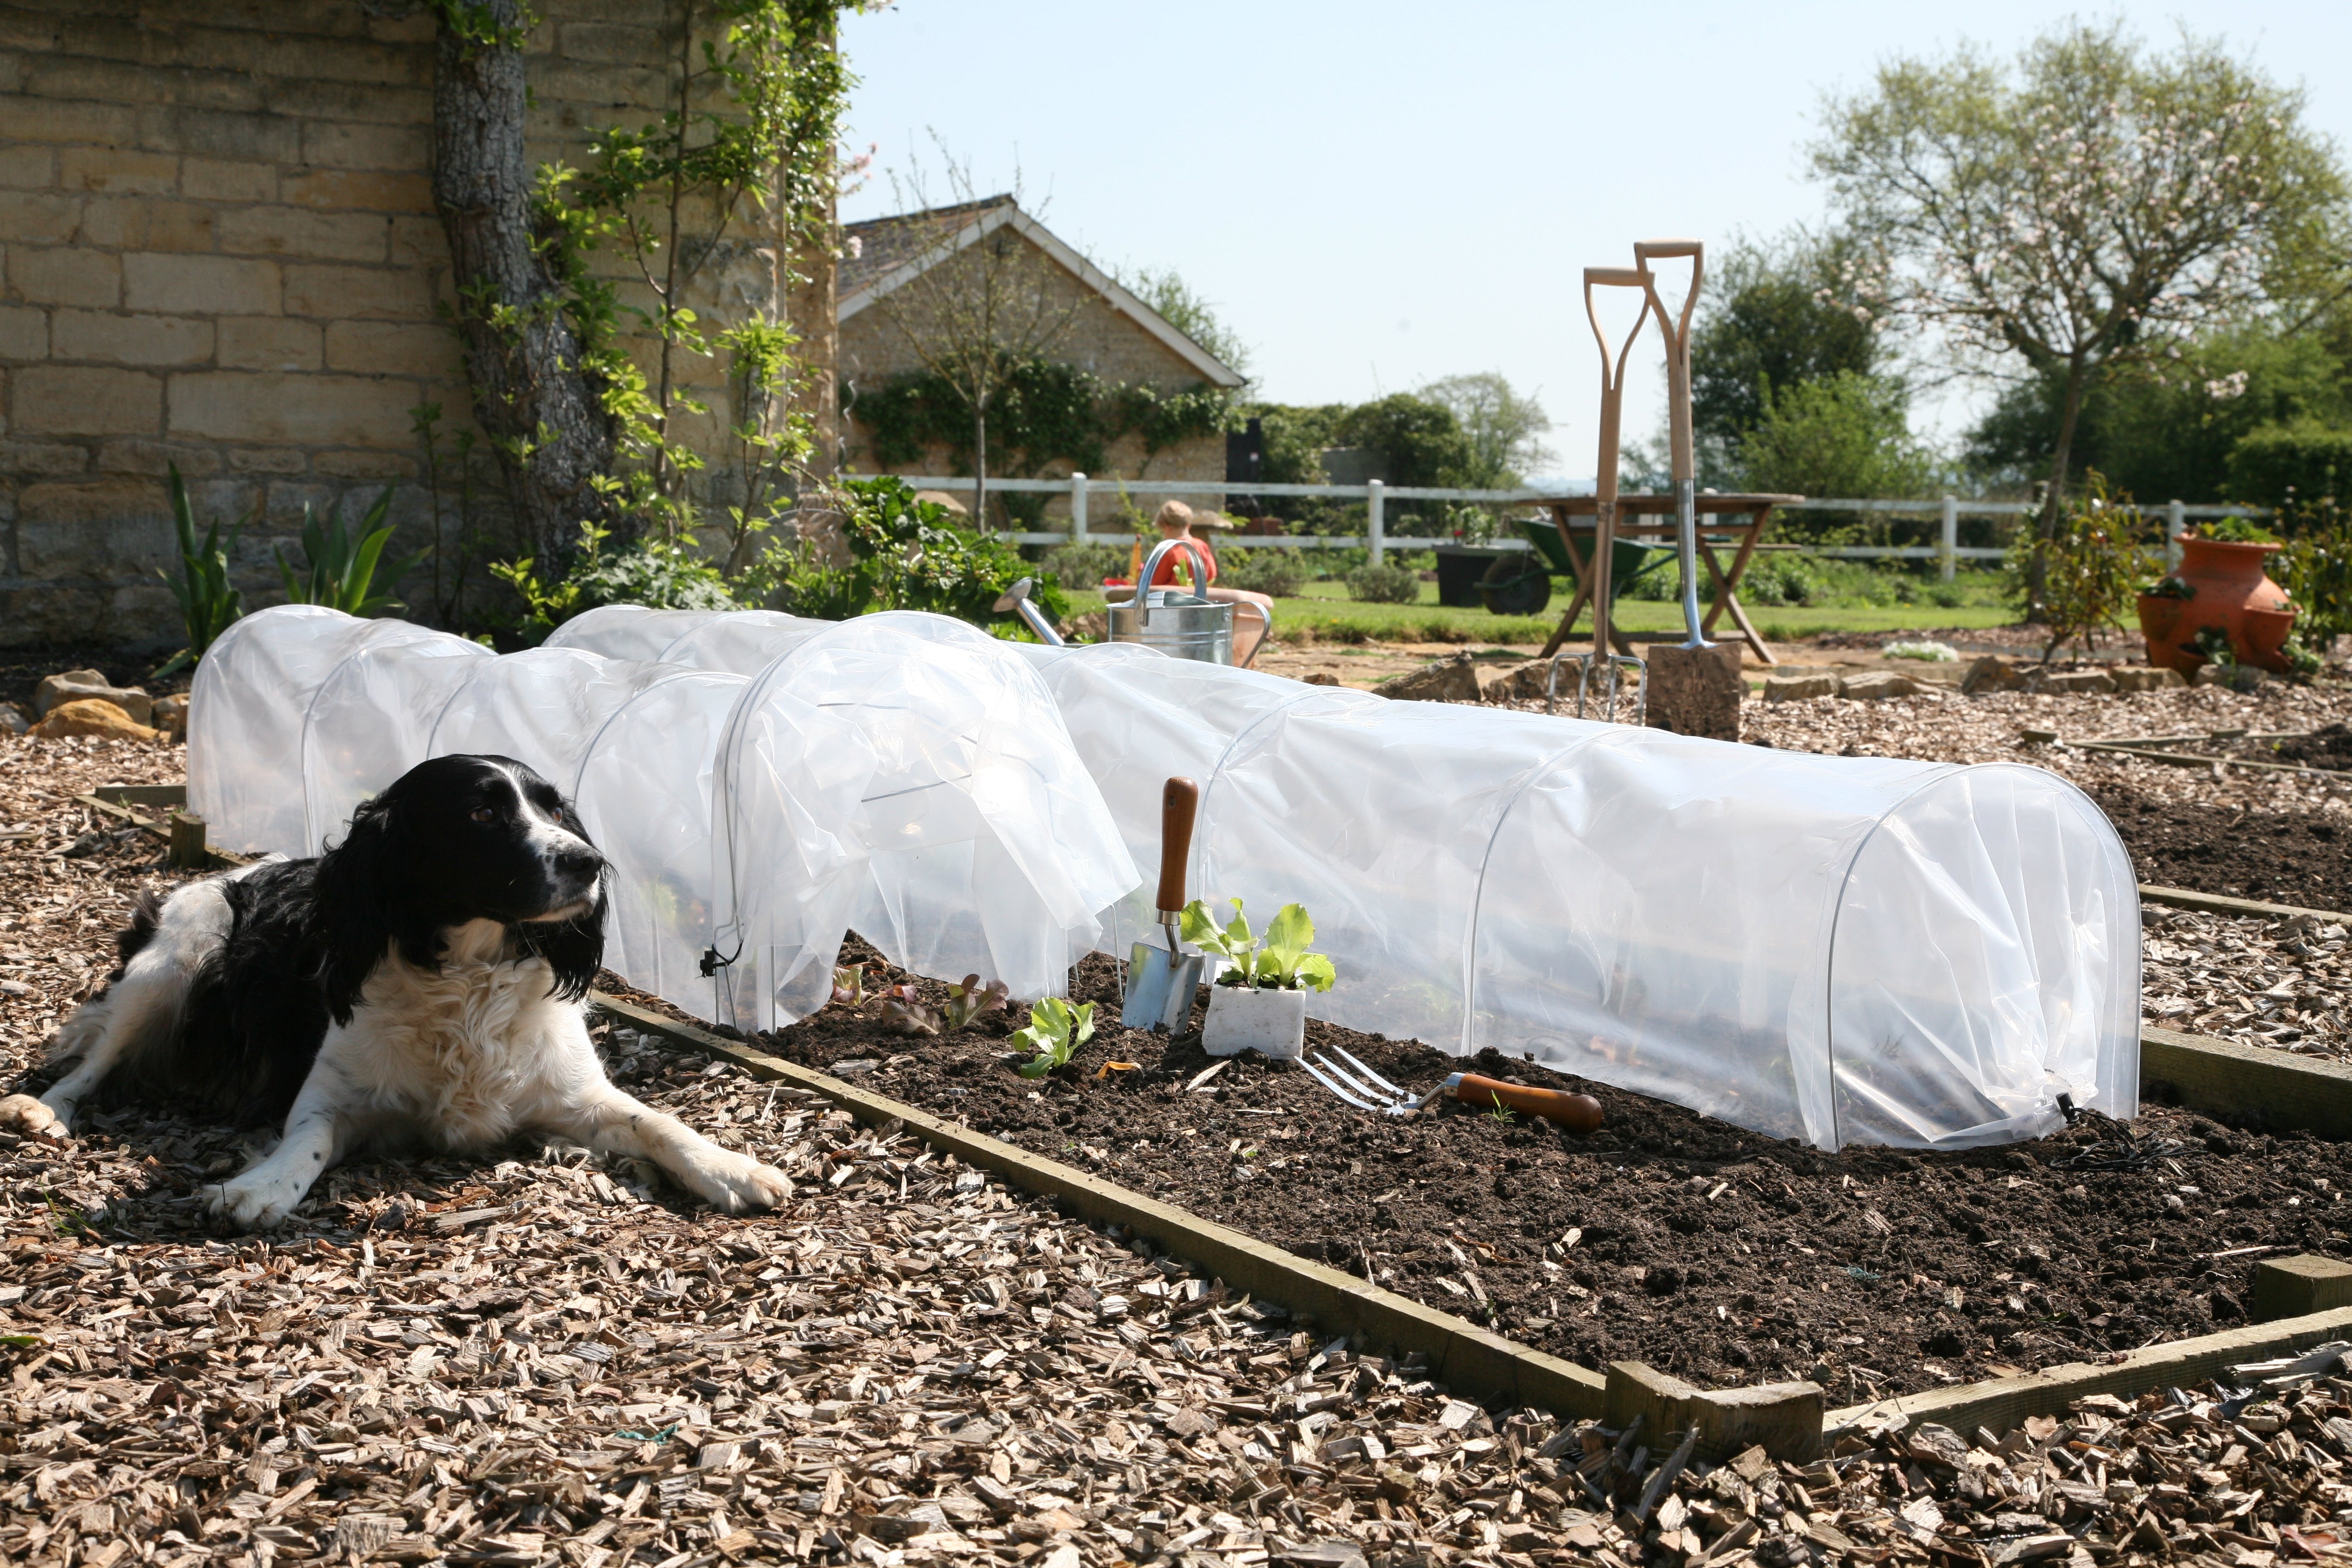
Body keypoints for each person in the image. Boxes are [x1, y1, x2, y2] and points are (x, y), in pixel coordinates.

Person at [1126, 500, 1273, 665]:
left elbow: (1153, 587)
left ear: (1166, 527)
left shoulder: (1170, 551)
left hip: (1170, 614)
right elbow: (1211, 574)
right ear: (1189, 525)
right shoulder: (1201, 546)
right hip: (1201, 608)